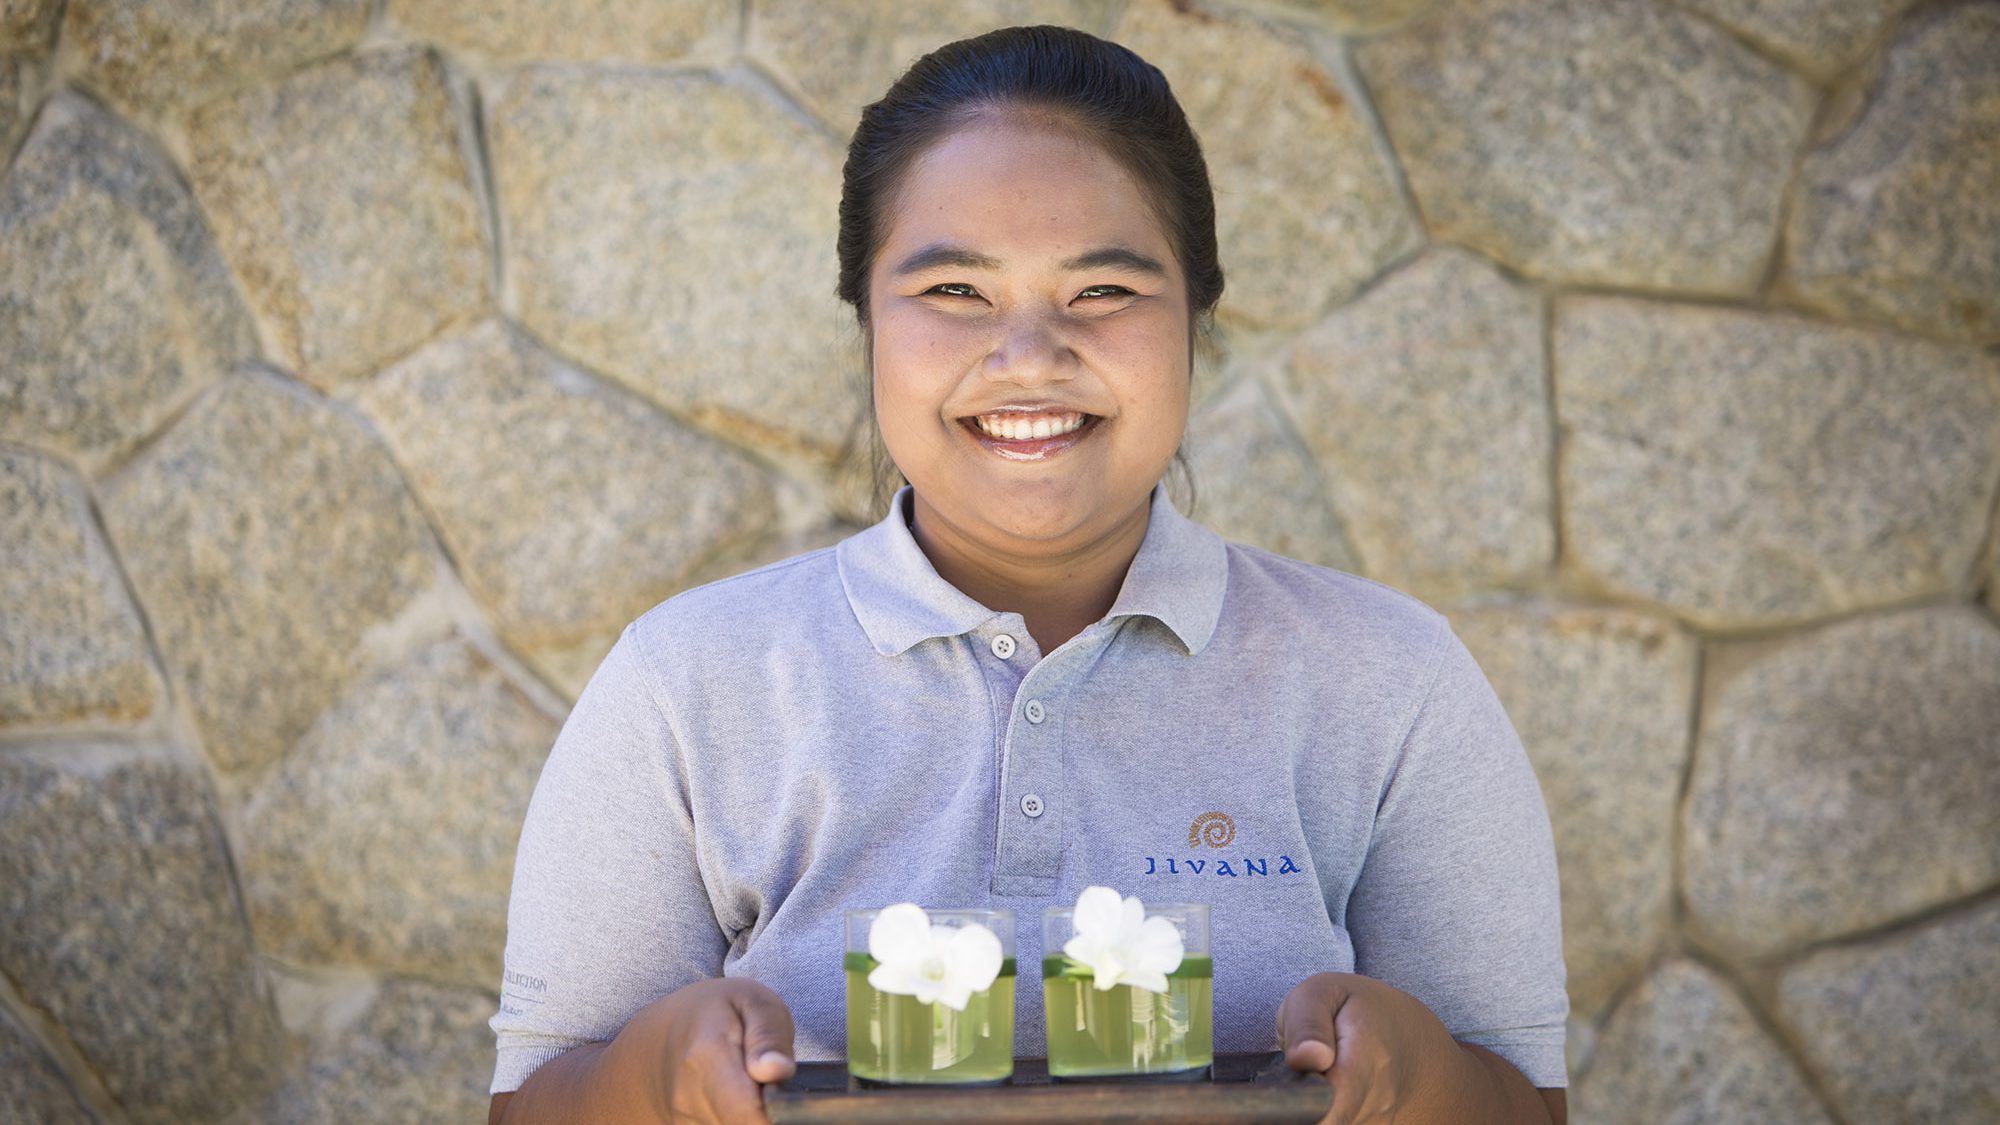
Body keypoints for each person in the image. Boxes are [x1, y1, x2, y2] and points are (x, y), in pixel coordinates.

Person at [489, 25, 1567, 1125]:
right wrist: (650, 1073)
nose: (1029, 356)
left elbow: (1526, 1103)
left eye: (1102, 289)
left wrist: (1419, 1074)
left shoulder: (1390, 678)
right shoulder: (685, 682)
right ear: (867, 319)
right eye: (955, 288)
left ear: (1195, 317)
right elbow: (529, 1104)